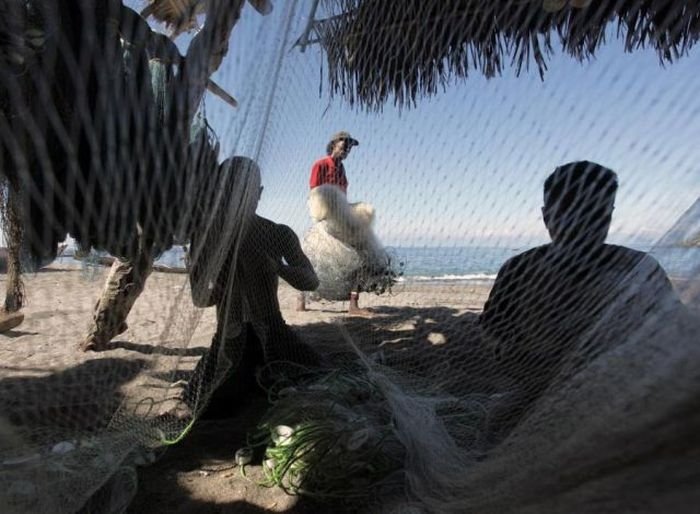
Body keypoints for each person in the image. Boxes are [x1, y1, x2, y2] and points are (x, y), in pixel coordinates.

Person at [478, 161, 680, 414]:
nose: (582, 225)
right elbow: (493, 331)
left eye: (595, 213)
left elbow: (671, 331)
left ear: (609, 213)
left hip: (623, 394)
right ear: (546, 215)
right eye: (569, 213)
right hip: (538, 394)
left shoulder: (640, 269)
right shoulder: (518, 269)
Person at [165, 156, 321, 418]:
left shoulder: (277, 233)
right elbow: (199, 300)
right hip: (229, 338)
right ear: (219, 191)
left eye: (246, 190)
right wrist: (219, 287)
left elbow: (311, 280)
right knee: (207, 406)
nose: (238, 197)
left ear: (258, 193)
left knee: (315, 380)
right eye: (230, 189)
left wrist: (278, 268)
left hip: (274, 332)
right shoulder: (206, 238)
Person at [297, 130, 372, 316]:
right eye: (344, 144)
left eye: (350, 146)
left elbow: (343, 196)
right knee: (315, 260)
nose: (347, 148)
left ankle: (353, 305)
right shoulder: (320, 165)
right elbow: (315, 194)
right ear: (333, 145)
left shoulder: (342, 169)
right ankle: (301, 299)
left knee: (361, 254)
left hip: (340, 216)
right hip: (326, 218)